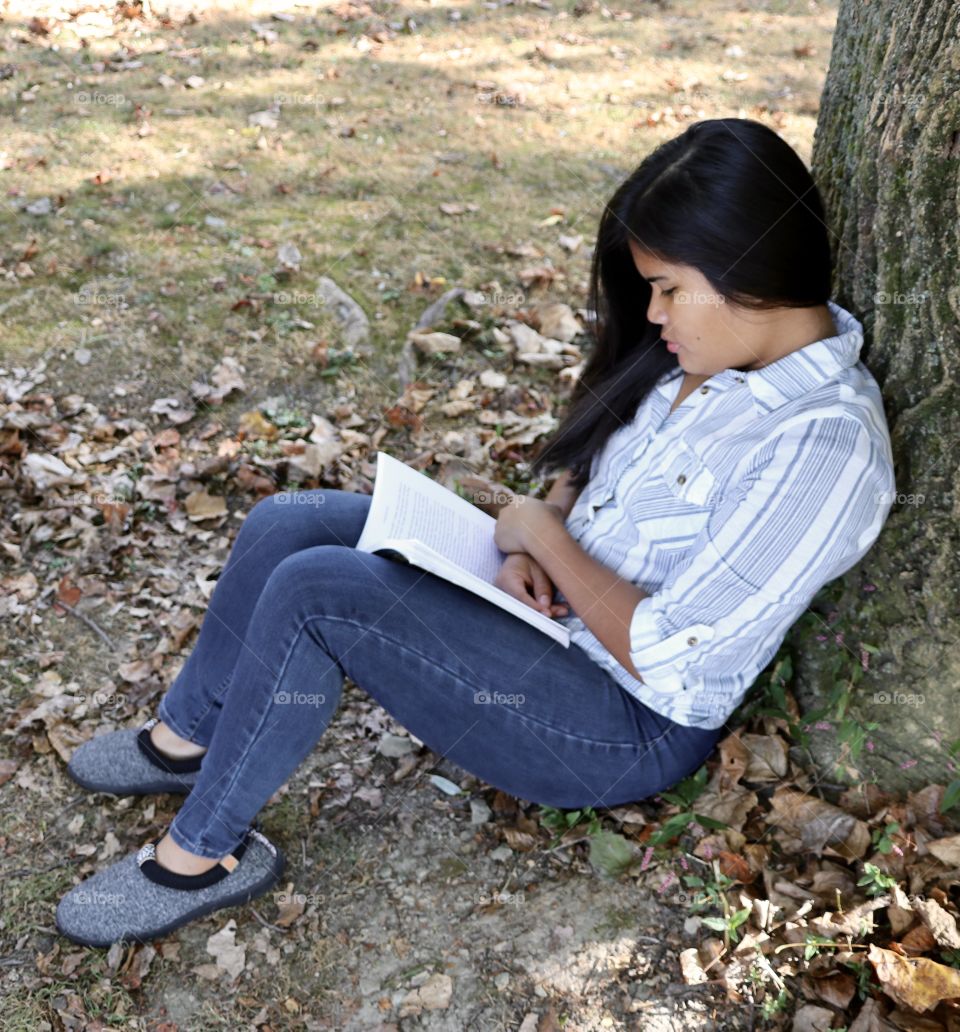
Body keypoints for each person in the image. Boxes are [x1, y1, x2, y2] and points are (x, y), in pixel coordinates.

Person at [56, 117, 895, 947]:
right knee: (291, 524)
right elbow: (612, 450)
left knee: (319, 595)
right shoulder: (716, 352)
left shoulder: (822, 445)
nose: (651, 311)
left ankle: (198, 858)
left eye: (669, 287)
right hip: (553, 613)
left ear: (747, 269)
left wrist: (540, 535)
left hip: (614, 722)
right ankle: (184, 741)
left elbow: (673, 654)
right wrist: (546, 526)